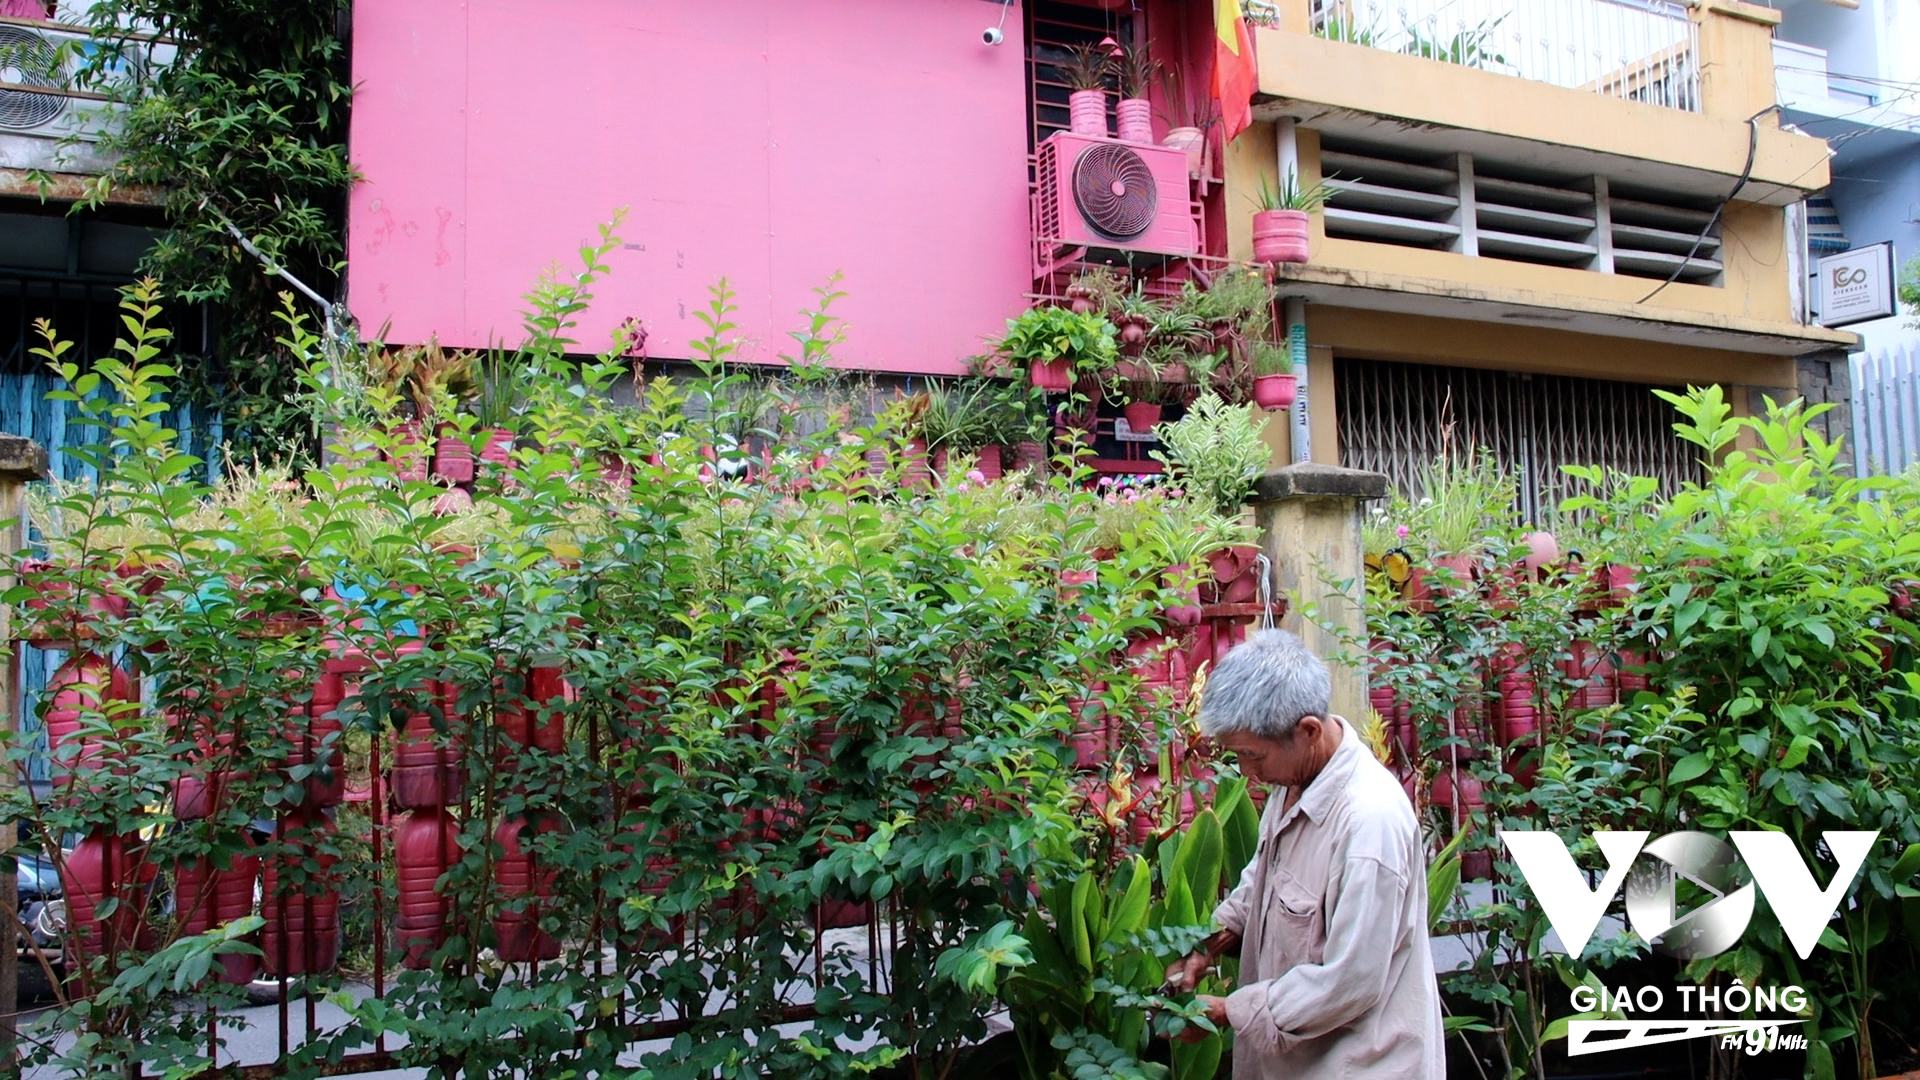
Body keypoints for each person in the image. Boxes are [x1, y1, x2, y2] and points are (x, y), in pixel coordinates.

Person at [1164, 628, 1443, 1080]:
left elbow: (1349, 980)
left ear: (1308, 731)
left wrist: (1227, 1012)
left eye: (1253, 756)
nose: (1247, 772)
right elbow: (1263, 882)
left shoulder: (1369, 825)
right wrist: (1208, 945)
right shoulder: (1296, 778)